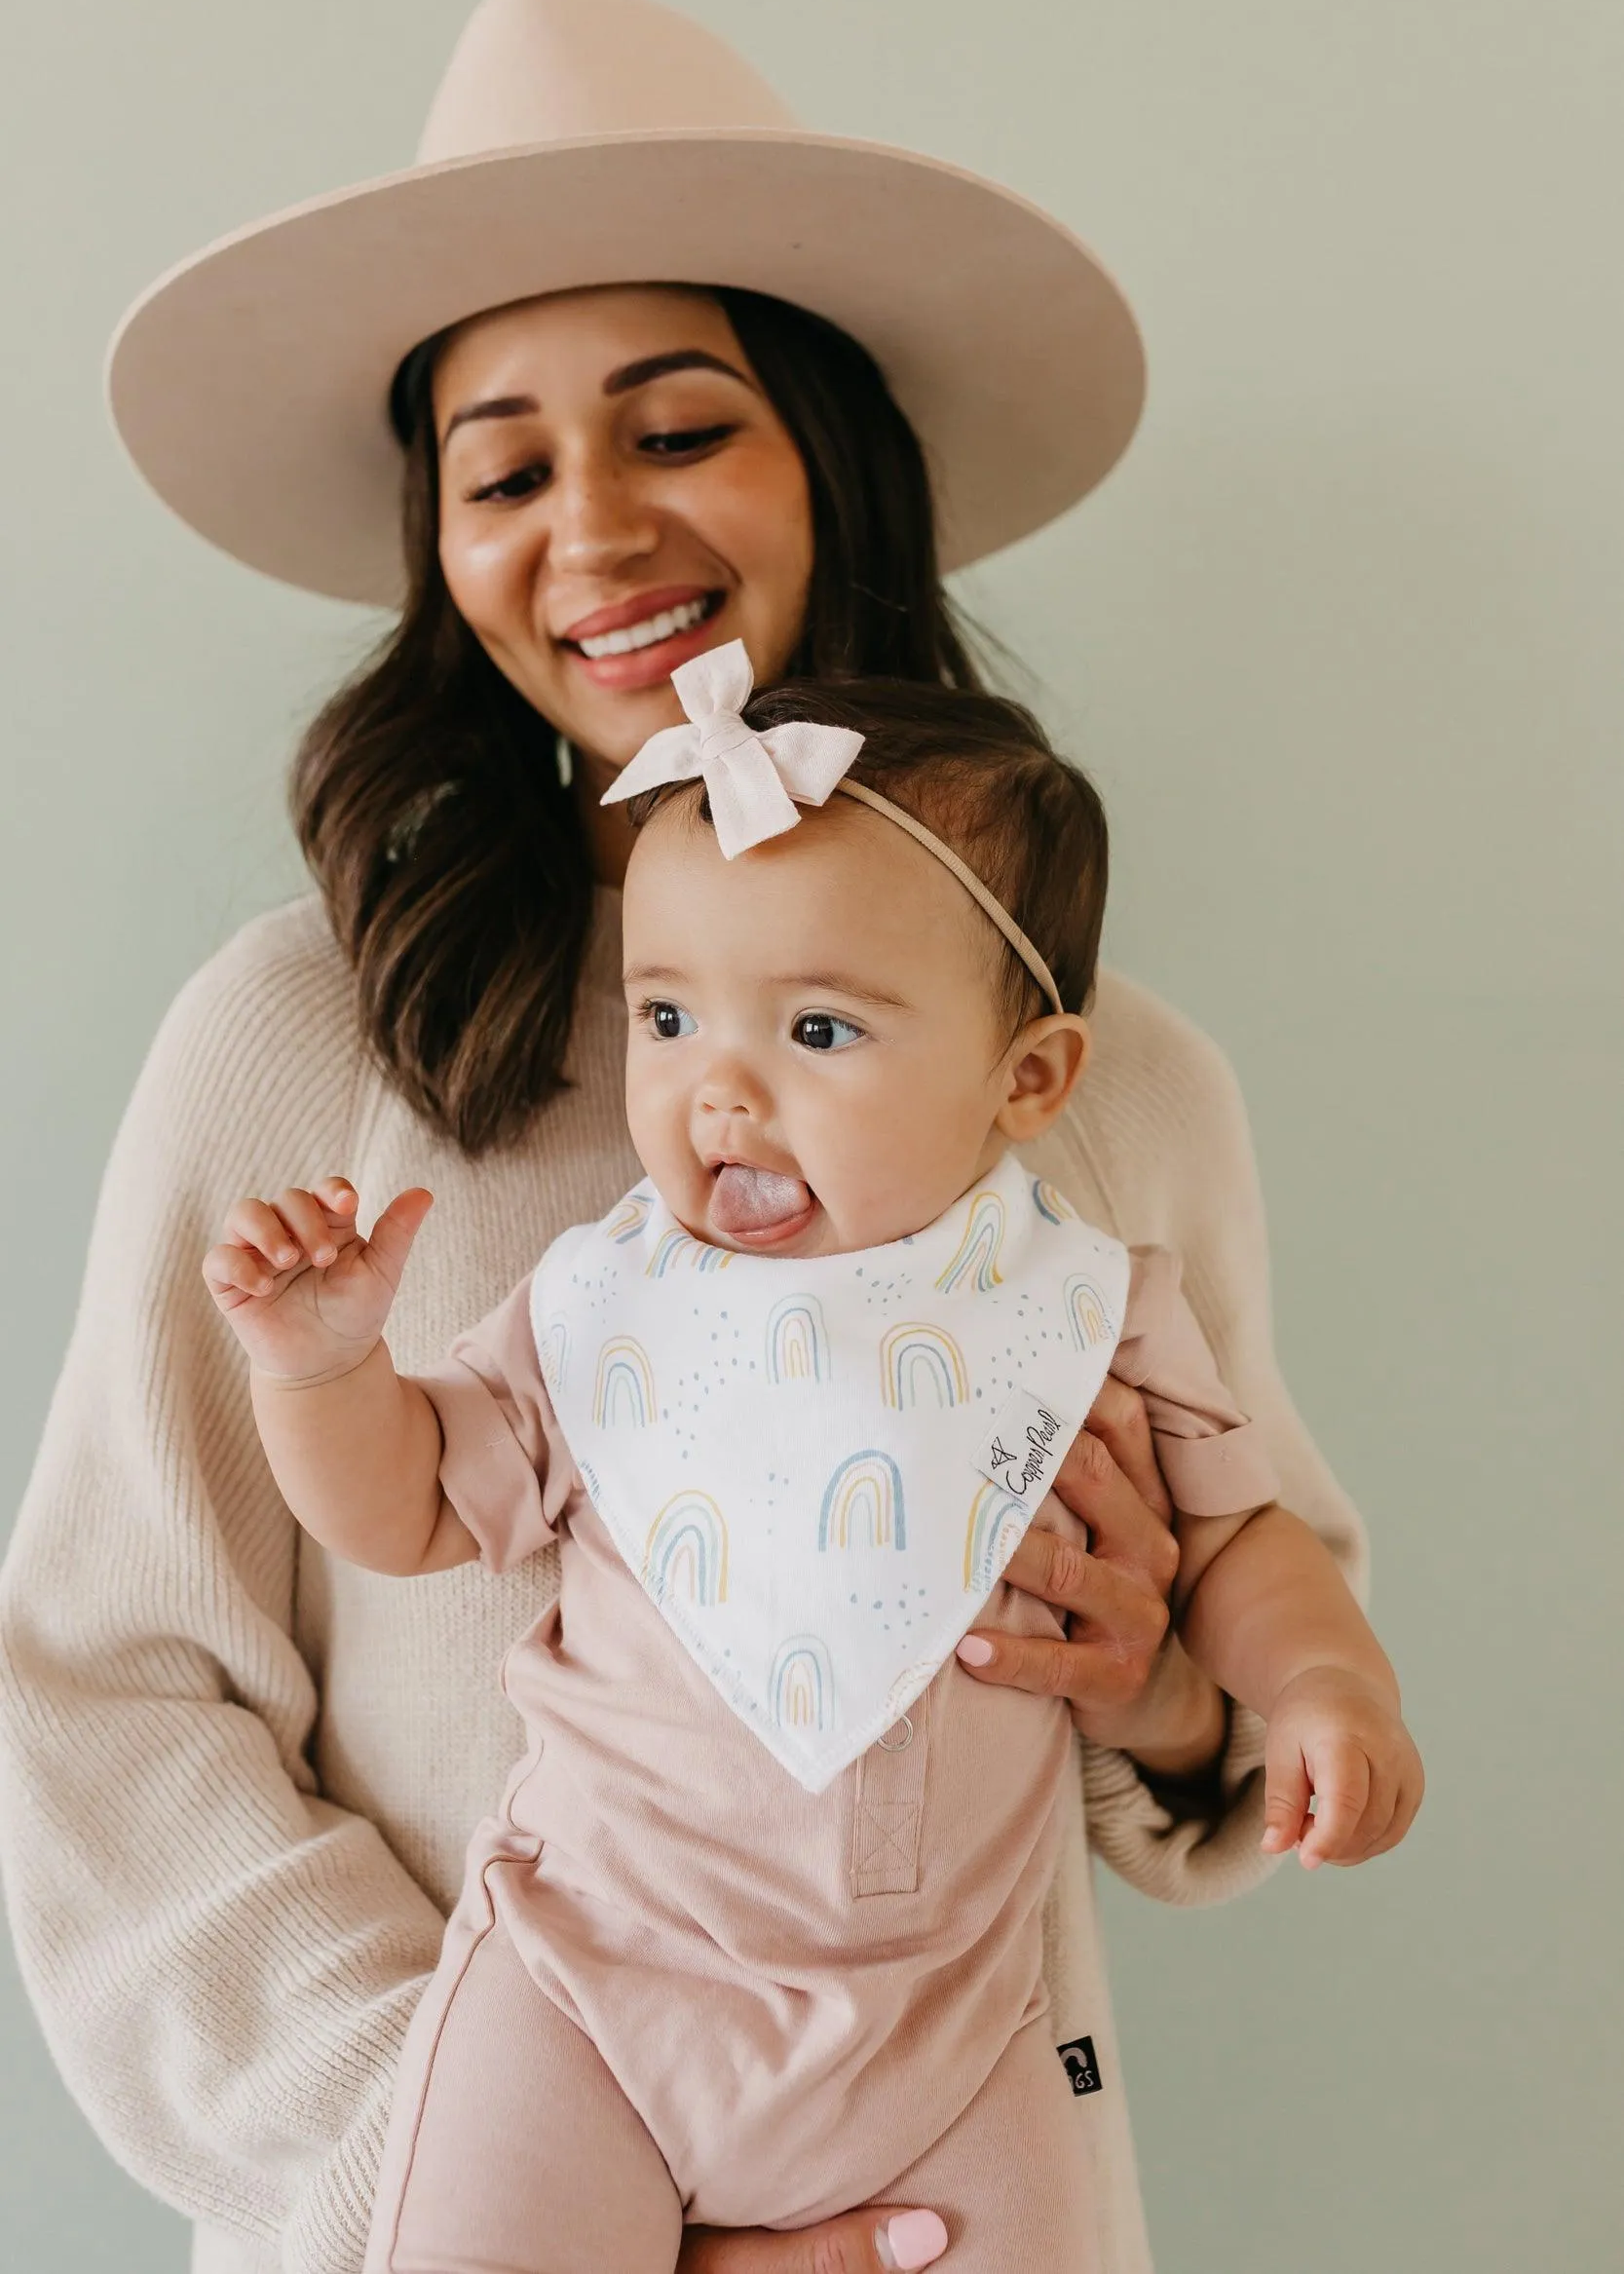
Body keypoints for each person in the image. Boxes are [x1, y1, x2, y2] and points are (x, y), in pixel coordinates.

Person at [0, 0, 1390, 2274]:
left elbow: (1239, 1702)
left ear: (828, 460)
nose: (597, 530)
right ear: (436, 549)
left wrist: (1159, 1666)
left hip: (958, 2168)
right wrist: (493, 2162)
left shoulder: (1107, 1079)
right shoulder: (303, 1036)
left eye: (679, 429)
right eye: (506, 469)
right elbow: (109, 1697)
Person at [202, 659, 1421, 2272]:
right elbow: (410, 1503)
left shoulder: (1082, 1311)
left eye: (820, 1026)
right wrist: (326, 1367)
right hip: (591, 1992)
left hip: (954, 2029)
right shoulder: (605, 1310)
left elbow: (1235, 1537)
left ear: (1028, 1079)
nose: (719, 1087)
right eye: (666, 1015)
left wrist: (1329, 1684)